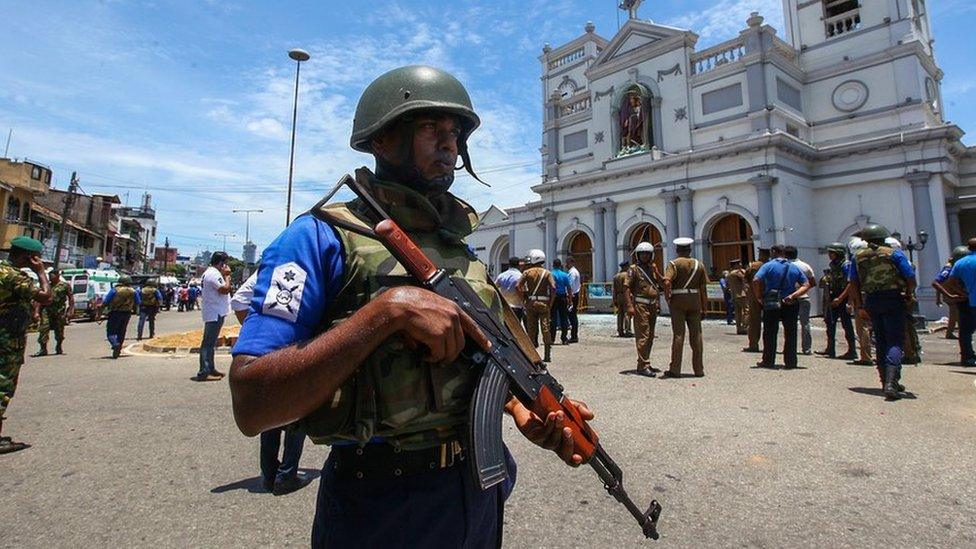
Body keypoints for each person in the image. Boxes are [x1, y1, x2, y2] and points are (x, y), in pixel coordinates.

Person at [228, 66, 589, 547]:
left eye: (456, 132)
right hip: (379, 502)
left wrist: (517, 407)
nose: (450, 144)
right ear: (381, 140)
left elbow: (474, 358)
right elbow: (252, 403)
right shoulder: (317, 239)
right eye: (430, 128)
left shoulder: (456, 246)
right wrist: (386, 312)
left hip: (477, 489)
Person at [232, 272, 310, 494]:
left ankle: (268, 474)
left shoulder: (267, 270)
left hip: (267, 350)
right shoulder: (296, 266)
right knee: (296, 415)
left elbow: (238, 300)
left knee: (272, 414)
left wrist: (254, 330)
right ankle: (286, 475)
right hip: (293, 346)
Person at [849, 224, 917, 399]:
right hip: (893, 298)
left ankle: (885, 379)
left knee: (880, 339)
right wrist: (909, 294)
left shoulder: (858, 257)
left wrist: (860, 306)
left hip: (871, 300)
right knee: (895, 340)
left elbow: (854, 284)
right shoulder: (893, 253)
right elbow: (910, 277)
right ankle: (891, 382)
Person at [0, 236, 52, 454]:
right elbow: (45, 297)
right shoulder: (13, 277)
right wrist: (41, 273)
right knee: (3, 386)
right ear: (29, 257)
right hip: (6, 339)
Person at [753, 244, 811, 369]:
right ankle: (791, 362)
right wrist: (794, 295)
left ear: (774, 252)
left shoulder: (768, 266)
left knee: (770, 332)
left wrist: (759, 297)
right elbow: (806, 284)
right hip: (789, 302)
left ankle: (768, 361)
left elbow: (756, 280)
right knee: (790, 332)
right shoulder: (793, 267)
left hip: (772, 302)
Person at [662, 237, 708, 378]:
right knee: (697, 335)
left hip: (678, 300)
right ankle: (698, 369)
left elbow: (667, 281)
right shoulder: (699, 265)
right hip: (694, 300)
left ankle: (675, 369)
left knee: (678, 335)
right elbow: (703, 288)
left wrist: (668, 296)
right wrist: (704, 307)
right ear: (690, 250)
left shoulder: (673, 264)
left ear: (677, 250)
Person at [624, 242, 663, 376]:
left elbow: (660, 285)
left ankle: (646, 361)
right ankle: (642, 365)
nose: (645, 256)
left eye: (647, 254)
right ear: (638, 255)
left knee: (651, 335)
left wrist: (657, 272)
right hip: (640, 305)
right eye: (642, 254)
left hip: (652, 305)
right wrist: (629, 306)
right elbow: (626, 288)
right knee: (643, 335)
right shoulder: (633, 269)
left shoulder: (652, 269)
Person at [194, 251, 232, 382]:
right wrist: (227, 276)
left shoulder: (211, 273)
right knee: (208, 343)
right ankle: (203, 371)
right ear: (221, 263)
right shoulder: (214, 274)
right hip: (214, 312)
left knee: (210, 343)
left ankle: (210, 368)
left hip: (215, 311)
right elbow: (225, 289)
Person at [816, 243, 856, 360]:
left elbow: (850, 284)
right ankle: (830, 348)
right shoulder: (833, 265)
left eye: (832, 253)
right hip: (833, 297)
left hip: (842, 298)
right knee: (830, 324)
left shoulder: (846, 265)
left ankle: (852, 350)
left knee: (847, 325)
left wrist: (841, 299)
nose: (829, 255)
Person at [517, 249, 555, 361]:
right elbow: (553, 288)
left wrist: (523, 298)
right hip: (544, 304)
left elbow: (518, 286)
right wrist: (550, 303)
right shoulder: (547, 273)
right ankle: (547, 355)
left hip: (531, 303)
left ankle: (532, 355)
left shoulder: (527, 272)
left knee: (531, 329)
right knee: (545, 328)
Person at [946, 239, 976, 366]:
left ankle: (967, 357)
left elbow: (950, 282)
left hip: (971, 301)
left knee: (965, 331)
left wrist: (964, 293)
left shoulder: (960, 263)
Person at [933, 246, 970, 343]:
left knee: (957, 315)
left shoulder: (953, 266)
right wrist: (940, 298)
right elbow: (938, 282)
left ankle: (957, 332)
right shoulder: (948, 268)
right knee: (954, 315)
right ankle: (950, 333)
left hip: (954, 295)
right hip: (951, 296)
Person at [784, 246, 816, 355]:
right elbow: (812, 282)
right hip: (803, 296)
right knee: (805, 323)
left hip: (788, 297)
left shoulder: (785, 266)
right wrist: (801, 290)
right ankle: (807, 348)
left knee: (789, 324)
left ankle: (789, 347)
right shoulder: (805, 266)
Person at [34, 269, 73, 356]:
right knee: (44, 328)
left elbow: (71, 298)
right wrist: (36, 312)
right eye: (49, 276)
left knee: (59, 330)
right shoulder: (46, 286)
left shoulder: (65, 286)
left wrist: (70, 310)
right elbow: (39, 300)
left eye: (52, 276)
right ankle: (43, 349)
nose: (50, 278)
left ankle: (59, 346)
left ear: (57, 276)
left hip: (59, 311)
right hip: (46, 310)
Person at [102, 275, 139, 359]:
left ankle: (116, 345)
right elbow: (138, 302)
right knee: (122, 331)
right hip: (127, 313)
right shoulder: (134, 291)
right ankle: (119, 347)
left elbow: (106, 302)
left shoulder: (114, 290)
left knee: (111, 332)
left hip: (115, 313)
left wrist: (99, 312)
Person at [742, 249, 769, 352]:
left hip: (754, 294)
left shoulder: (754, 265)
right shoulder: (770, 265)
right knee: (770, 320)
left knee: (754, 321)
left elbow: (748, 278)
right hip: (768, 294)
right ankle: (769, 345)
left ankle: (753, 344)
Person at [549, 258, 572, 345]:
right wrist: (570, 300)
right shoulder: (565, 275)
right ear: (560, 265)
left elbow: (550, 288)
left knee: (553, 318)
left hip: (553, 298)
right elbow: (569, 288)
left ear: (553, 265)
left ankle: (552, 338)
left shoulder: (551, 274)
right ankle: (564, 338)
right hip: (563, 297)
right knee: (564, 318)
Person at [495, 257, 524, 322]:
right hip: (517, 307)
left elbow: (494, 287)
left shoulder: (501, 275)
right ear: (518, 265)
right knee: (516, 327)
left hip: (504, 306)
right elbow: (524, 290)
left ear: (509, 264)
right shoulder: (520, 276)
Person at [726, 259, 749, 335]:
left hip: (734, 295)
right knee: (747, 311)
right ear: (735, 265)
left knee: (738, 313)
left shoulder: (729, 274)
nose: (740, 264)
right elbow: (745, 278)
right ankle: (745, 327)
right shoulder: (737, 273)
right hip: (742, 295)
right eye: (739, 263)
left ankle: (738, 328)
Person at [612, 260, 633, 337]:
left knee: (620, 314)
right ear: (626, 266)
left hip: (618, 296)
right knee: (627, 313)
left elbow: (614, 289)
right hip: (626, 295)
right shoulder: (627, 275)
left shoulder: (616, 276)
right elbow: (628, 287)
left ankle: (620, 330)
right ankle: (627, 330)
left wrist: (614, 299)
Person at [566, 258, 581, 343]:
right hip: (574, 295)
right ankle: (574, 335)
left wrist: (569, 298)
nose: (566, 265)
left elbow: (570, 286)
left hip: (572, 296)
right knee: (572, 315)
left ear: (571, 263)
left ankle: (574, 336)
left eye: (567, 263)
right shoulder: (574, 271)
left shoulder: (572, 272)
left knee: (572, 316)